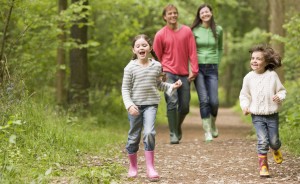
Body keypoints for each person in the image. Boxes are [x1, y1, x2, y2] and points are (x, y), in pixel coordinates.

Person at [122, 34, 182, 181]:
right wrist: (129, 105)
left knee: (149, 133)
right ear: (133, 50)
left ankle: (150, 168)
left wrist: (171, 86)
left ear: (149, 48)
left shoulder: (156, 65)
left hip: (151, 105)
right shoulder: (130, 68)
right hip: (135, 107)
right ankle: (133, 166)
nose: (141, 48)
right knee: (133, 137)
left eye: (144, 45)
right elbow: (125, 89)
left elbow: (159, 84)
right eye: (138, 46)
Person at [153, 4, 199, 144]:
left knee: (184, 106)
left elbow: (192, 51)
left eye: (175, 13)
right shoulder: (160, 34)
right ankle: (173, 133)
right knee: (172, 102)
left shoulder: (186, 31)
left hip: (184, 74)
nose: (173, 15)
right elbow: (156, 57)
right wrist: (159, 74)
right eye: (170, 13)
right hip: (168, 73)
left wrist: (194, 69)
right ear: (164, 17)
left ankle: (177, 126)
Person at [239, 44, 286, 177]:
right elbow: (244, 95)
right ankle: (263, 166)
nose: (254, 61)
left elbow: (282, 91)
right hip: (257, 115)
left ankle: (276, 149)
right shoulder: (248, 77)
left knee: (274, 141)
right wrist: (245, 106)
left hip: (272, 115)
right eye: (252, 58)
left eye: (258, 59)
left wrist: (279, 97)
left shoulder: (272, 76)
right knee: (262, 140)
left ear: (266, 62)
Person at [190, 4, 223, 142]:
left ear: (211, 13)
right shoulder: (194, 31)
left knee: (214, 101)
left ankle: (213, 123)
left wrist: (217, 61)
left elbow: (220, 48)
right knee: (204, 100)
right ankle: (207, 131)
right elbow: (190, 50)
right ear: (199, 15)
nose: (205, 14)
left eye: (207, 12)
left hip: (212, 68)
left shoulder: (219, 30)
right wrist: (191, 68)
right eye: (202, 12)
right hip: (198, 68)